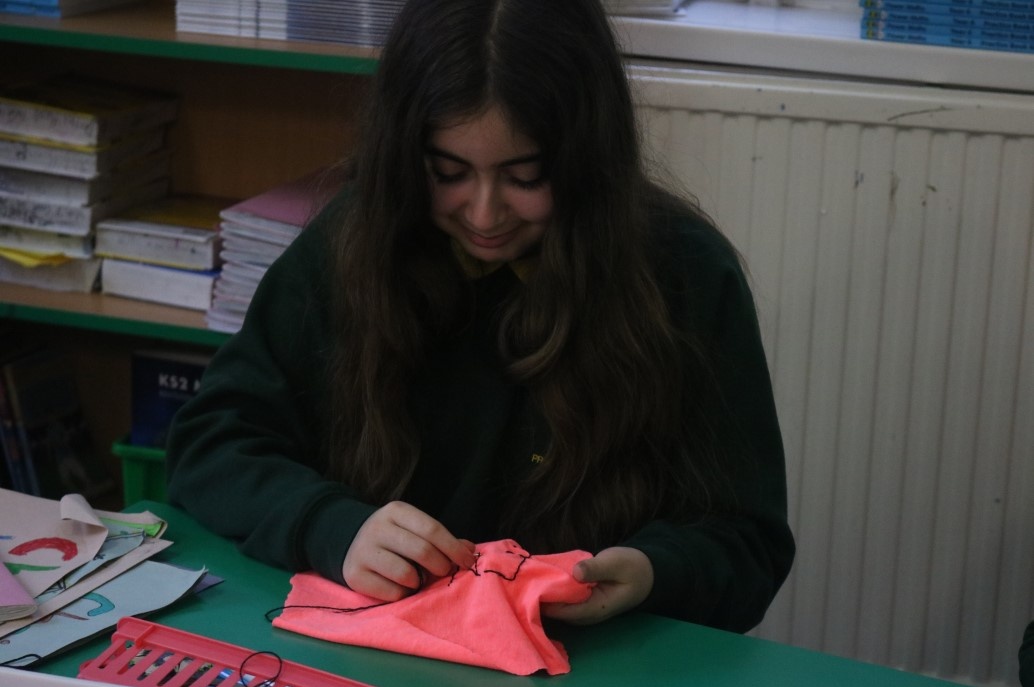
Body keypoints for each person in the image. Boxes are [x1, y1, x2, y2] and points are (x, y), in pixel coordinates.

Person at [166, 0, 795, 631]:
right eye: (449, 172)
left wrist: (657, 571)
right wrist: (333, 526)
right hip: (376, 643)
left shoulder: (684, 273)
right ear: (403, 156)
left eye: (526, 177)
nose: (485, 215)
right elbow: (211, 444)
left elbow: (748, 543)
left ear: (587, 162)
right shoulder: (355, 242)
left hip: (593, 656)